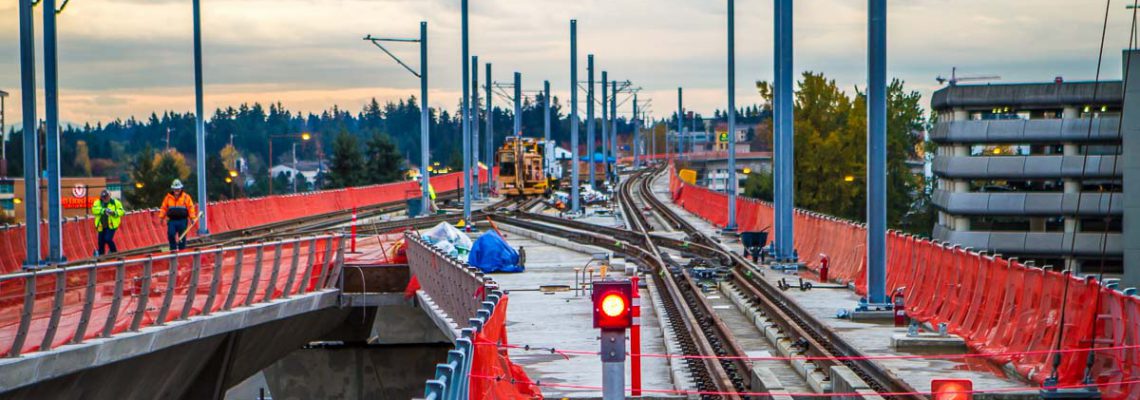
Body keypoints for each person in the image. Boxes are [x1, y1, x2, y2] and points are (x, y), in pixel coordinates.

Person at [160, 179, 198, 251]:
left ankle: (182, 251)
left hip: (182, 220)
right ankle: (173, 249)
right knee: (171, 234)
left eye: (178, 189)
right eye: (175, 189)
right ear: (173, 189)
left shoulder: (186, 197)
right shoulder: (168, 198)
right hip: (172, 221)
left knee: (182, 237)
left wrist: (192, 218)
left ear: (181, 189)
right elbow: (164, 208)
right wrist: (161, 217)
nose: (177, 190)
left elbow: (190, 208)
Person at [91, 190, 125, 256]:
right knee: (101, 242)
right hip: (101, 225)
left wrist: (114, 213)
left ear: (109, 196)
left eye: (106, 197)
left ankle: (114, 252)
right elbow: (94, 210)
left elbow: (122, 211)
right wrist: (104, 210)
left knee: (108, 239)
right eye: (103, 197)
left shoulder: (115, 203)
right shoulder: (97, 202)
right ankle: (101, 256)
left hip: (111, 225)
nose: (105, 198)